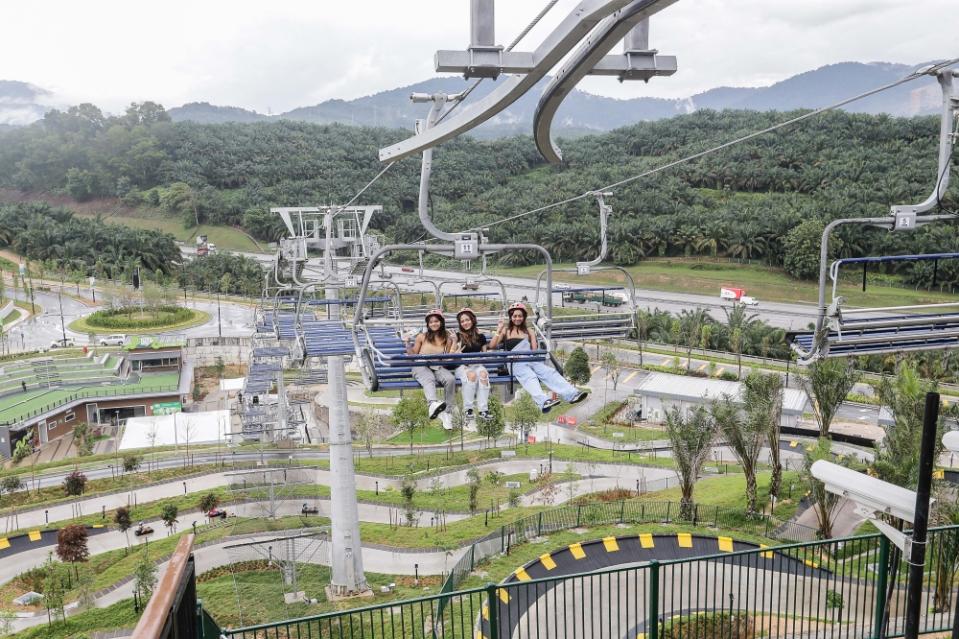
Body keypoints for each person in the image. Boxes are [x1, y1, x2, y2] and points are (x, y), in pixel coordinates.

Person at [490, 302, 589, 414]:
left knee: (549, 372)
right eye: (515, 316)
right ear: (511, 317)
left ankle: (571, 394)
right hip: (515, 362)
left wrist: (531, 355)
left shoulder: (530, 331)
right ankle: (543, 401)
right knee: (529, 376)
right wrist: (498, 330)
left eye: (520, 316)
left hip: (529, 359)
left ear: (524, 317)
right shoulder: (506, 331)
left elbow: (534, 351)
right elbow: (492, 346)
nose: (517, 318)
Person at [407, 308, 457, 429]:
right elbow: (413, 355)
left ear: (441, 322)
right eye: (431, 322)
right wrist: (407, 342)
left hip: (437, 366)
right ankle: (432, 403)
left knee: (450, 379)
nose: (434, 324)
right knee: (429, 378)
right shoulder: (422, 337)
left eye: (436, 321)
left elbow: (447, 358)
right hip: (421, 365)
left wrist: (455, 341)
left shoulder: (447, 338)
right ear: (428, 324)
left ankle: (447, 413)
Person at [454, 307, 491, 421]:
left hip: (476, 364)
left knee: (483, 375)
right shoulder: (457, 336)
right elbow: (451, 354)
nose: (465, 323)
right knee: (471, 375)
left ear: (473, 320)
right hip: (462, 366)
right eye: (462, 321)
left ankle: (483, 410)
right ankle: (468, 410)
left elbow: (484, 355)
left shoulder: (480, 337)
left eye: (467, 320)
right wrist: (457, 352)